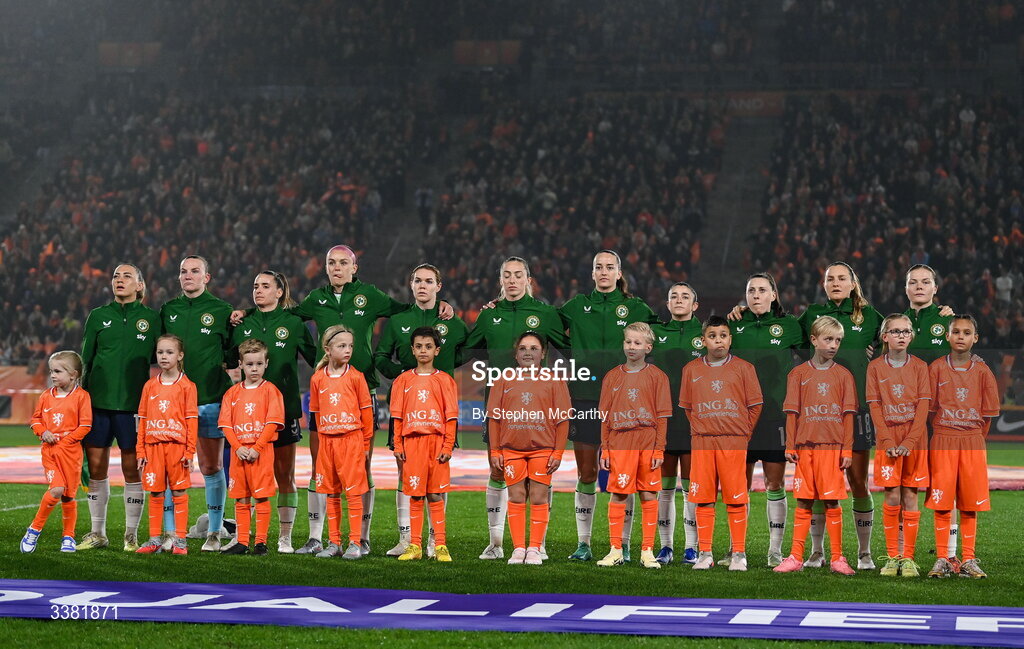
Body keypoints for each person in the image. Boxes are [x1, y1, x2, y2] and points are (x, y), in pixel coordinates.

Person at [284, 245, 452, 557]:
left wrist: (443, 309)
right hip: (325, 392)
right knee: (320, 467)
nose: (336, 268)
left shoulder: (370, 296)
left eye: (343, 263)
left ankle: (361, 537)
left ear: (354, 267)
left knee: (361, 469)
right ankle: (317, 538)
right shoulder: (316, 299)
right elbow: (287, 316)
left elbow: (405, 309)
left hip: (362, 392)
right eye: (331, 263)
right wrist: (248, 315)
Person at [465, 256, 567, 561]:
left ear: (528, 280)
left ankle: (538, 543)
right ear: (500, 281)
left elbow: (571, 345)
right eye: (506, 275)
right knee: (498, 472)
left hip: (538, 409)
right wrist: (443, 322)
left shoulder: (546, 314)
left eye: (517, 275)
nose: (512, 280)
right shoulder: (488, 315)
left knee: (539, 479)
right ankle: (496, 543)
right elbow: (464, 350)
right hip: (499, 403)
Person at [560, 250, 658, 562]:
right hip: (585, 396)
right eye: (598, 267)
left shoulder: (636, 307)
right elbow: (543, 327)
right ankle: (584, 544)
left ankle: (624, 546)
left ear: (618, 273)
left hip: (628, 401)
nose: (603, 272)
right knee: (587, 471)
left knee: (626, 475)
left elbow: (662, 336)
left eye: (609, 267)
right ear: (592, 273)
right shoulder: (576, 306)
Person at [374, 264, 468, 558]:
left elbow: (469, 346)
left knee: (437, 479)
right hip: (408, 408)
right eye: (418, 280)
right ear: (410, 284)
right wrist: (402, 373)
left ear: (439, 286)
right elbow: (379, 356)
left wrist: (447, 370)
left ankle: (434, 540)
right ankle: (407, 539)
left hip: (437, 413)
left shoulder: (451, 321)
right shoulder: (399, 319)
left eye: (429, 281)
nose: (423, 286)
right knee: (406, 475)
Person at [797, 262, 882, 570]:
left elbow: (901, 333)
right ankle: (817, 552)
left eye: (841, 278)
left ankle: (864, 553)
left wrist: (879, 354)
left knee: (858, 481)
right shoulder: (811, 314)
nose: (835, 282)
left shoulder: (870, 316)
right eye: (829, 278)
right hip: (818, 414)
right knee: (818, 484)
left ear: (852, 283)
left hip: (856, 411)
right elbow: (781, 335)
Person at [230, 271, 316, 553]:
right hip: (246, 419)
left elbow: (316, 359)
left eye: (265, 286)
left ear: (280, 292)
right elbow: (227, 358)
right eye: (255, 286)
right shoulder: (243, 323)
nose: (258, 290)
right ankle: (245, 537)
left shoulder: (293, 323)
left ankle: (284, 537)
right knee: (246, 478)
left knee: (283, 475)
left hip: (284, 413)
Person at [78, 264, 160, 551]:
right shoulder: (98, 316)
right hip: (98, 405)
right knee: (97, 469)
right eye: (115, 276)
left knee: (132, 469)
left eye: (127, 276)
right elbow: (85, 361)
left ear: (139, 285)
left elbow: (161, 357)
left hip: (134, 407)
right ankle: (97, 533)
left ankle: (130, 535)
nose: (119, 280)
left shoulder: (152, 319)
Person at [728, 273, 803, 567]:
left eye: (762, 290)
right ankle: (737, 549)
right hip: (739, 418)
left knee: (775, 484)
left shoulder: (790, 326)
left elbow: (817, 349)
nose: (756, 295)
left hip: (775, 416)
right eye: (751, 290)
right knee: (739, 484)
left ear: (774, 294)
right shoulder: (734, 324)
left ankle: (775, 550)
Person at [774, 316, 858, 576]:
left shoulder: (844, 375)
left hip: (832, 449)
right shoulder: (798, 374)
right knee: (804, 502)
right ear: (813, 340)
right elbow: (792, 413)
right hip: (805, 449)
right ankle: (796, 556)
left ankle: (838, 558)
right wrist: (790, 445)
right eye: (828, 339)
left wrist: (846, 450)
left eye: (838, 341)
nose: (833, 345)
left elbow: (847, 416)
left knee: (832, 503)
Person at [160, 255, 234, 552]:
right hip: (174, 403)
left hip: (211, 401)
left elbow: (233, 352)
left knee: (211, 465)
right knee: (169, 467)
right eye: (183, 271)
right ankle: (171, 533)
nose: (187, 275)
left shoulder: (222, 310)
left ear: (207, 277)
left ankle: (215, 532)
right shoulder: (168, 310)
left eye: (194, 271)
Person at [679, 316, 762, 571]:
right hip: (702, 442)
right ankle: (705, 553)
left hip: (733, 442)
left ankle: (738, 554)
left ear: (730, 339)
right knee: (703, 498)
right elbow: (689, 408)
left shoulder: (744, 368)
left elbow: (755, 405)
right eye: (713, 336)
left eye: (723, 335)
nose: (718, 340)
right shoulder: (690, 369)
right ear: (703, 340)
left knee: (736, 498)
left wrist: (742, 433)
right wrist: (703, 429)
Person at [487, 332, 572, 565]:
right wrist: (495, 451)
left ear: (543, 353)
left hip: (542, 449)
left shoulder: (555, 380)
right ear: (516, 354)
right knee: (515, 496)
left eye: (534, 348)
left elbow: (563, 420)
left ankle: (534, 548)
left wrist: (558, 452)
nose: (528, 352)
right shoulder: (503, 379)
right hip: (512, 449)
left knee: (538, 496)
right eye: (523, 348)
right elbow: (494, 418)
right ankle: (518, 549)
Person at [926, 315, 1000, 579]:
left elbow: (988, 414)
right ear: (947, 336)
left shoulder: (982, 371)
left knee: (969, 504)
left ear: (975, 338)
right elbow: (929, 409)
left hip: (972, 441)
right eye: (956, 331)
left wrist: (974, 437)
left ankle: (968, 559)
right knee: (942, 503)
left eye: (966, 332)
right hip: (943, 439)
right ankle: (942, 559)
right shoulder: (935, 368)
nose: (960, 336)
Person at [595, 323, 671, 569]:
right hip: (620, 441)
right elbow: (605, 417)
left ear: (648, 347)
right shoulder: (612, 376)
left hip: (647, 440)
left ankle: (647, 551)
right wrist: (605, 448)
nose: (632, 347)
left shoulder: (658, 376)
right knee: (618, 493)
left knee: (649, 493)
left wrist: (659, 448)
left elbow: (662, 417)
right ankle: (616, 549)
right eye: (628, 342)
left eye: (638, 343)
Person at [866, 314, 930, 578]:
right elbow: (875, 406)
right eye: (895, 331)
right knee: (892, 495)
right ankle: (893, 557)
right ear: (885, 337)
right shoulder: (875, 368)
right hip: (888, 439)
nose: (901, 335)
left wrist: (910, 442)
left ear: (911, 336)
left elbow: (923, 406)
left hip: (915, 440)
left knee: (911, 496)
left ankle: (909, 558)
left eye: (905, 331)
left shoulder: (920, 366)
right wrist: (890, 441)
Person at [391, 327, 459, 562]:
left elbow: (451, 417)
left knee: (435, 495)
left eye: (428, 346)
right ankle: (415, 546)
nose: (423, 350)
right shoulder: (403, 380)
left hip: (436, 442)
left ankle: (440, 545)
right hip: (412, 444)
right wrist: (398, 446)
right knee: (416, 496)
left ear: (437, 350)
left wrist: (448, 446)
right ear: (412, 349)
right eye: (419, 346)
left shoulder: (445, 381)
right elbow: (397, 417)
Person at [649, 282, 705, 565]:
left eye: (685, 296)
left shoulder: (706, 335)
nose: (679, 300)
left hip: (695, 421)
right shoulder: (655, 333)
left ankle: (692, 548)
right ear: (667, 304)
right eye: (674, 296)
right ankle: (666, 546)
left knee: (691, 486)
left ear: (695, 305)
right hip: (663, 420)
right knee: (665, 486)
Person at [309, 325, 374, 560]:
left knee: (354, 493)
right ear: (327, 349)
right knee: (331, 493)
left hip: (351, 441)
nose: (348, 350)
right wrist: (318, 449)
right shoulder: (317, 378)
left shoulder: (356, 377)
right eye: (342, 346)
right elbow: (315, 416)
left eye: (350, 346)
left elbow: (367, 414)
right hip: (327, 443)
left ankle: (355, 542)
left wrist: (365, 445)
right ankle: (334, 542)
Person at [218, 339, 285, 556]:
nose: (254, 368)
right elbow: (226, 424)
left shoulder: (271, 391)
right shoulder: (232, 393)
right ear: (240, 364)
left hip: (261, 452)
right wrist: (237, 447)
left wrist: (257, 447)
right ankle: (242, 541)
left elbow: (272, 422)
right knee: (241, 497)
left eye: (258, 364)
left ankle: (261, 543)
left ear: (266, 363)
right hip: (240, 453)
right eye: (249, 364)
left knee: (262, 496)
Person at [21, 351, 92, 553]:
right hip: (51, 453)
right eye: (51, 371)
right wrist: (43, 432)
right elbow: (35, 420)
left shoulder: (82, 397)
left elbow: (85, 425)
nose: (53, 375)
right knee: (56, 490)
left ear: (73, 374)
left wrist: (66, 441)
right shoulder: (45, 396)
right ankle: (34, 530)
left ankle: (68, 537)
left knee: (69, 496)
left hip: (71, 454)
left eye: (58, 371)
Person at [134, 335, 198, 555]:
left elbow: (191, 421)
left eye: (169, 352)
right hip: (153, 449)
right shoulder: (150, 386)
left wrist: (189, 451)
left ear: (180, 355)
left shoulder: (187, 386)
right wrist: (140, 449)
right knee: (155, 493)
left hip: (177, 449)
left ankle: (180, 541)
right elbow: (142, 419)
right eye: (160, 352)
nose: (163, 356)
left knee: (179, 492)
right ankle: (154, 540)